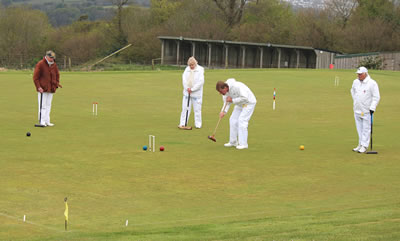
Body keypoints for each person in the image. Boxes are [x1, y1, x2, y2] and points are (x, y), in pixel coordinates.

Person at [216, 78, 257, 150]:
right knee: (232, 120)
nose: (221, 93)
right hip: (239, 104)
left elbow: (245, 98)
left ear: (225, 87)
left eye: (221, 91)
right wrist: (223, 111)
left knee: (242, 120)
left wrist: (232, 100)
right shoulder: (224, 93)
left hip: (249, 103)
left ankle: (243, 144)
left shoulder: (237, 86)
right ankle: (233, 142)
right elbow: (226, 103)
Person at [350, 66, 380, 153]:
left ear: (365, 74)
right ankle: (360, 144)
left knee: (366, 129)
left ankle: (364, 145)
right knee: (359, 128)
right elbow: (352, 91)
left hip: (367, 111)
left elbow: (376, 97)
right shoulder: (355, 82)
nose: (358, 76)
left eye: (360, 74)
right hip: (357, 109)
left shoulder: (372, 83)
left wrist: (372, 107)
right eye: (358, 74)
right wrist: (356, 101)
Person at [33, 50, 62, 127]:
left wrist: (56, 84)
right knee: (42, 105)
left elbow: (57, 75)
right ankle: (42, 121)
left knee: (48, 105)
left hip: (51, 88)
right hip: (42, 88)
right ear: (47, 56)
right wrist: (38, 87)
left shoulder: (54, 65)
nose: (52, 59)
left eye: (53, 58)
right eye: (51, 58)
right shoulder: (40, 64)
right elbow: (35, 77)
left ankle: (47, 121)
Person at [178, 56, 204, 129]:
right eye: (190, 65)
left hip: (196, 94)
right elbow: (184, 80)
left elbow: (200, 82)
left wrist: (192, 89)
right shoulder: (186, 70)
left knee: (197, 109)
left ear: (195, 64)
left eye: (192, 65)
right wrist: (187, 88)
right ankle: (182, 123)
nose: (191, 66)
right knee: (185, 108)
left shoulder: (200, 70)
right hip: (187, 93)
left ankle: (198, 124)